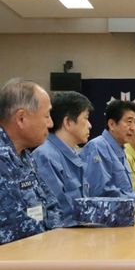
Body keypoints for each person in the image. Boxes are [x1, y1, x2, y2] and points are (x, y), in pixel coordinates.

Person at [0, 79, 61, 244]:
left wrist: (56, 240)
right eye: (47, 115)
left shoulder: (25, 155)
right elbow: (11, 228)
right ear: (21, 118)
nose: (51, 123)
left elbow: (51, 205)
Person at [33, 91, 94, 227]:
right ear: (68, 122)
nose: (90, 125)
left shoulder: (74, 154)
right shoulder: (46, 156)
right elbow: (58, 214)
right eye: (86, 118)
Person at [81, 100, 135, 202]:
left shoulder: (121, 149)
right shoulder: (97, 147)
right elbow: (98, 193)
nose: (133, 128)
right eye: (129, 122)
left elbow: (123, 190)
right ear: (112, 124)